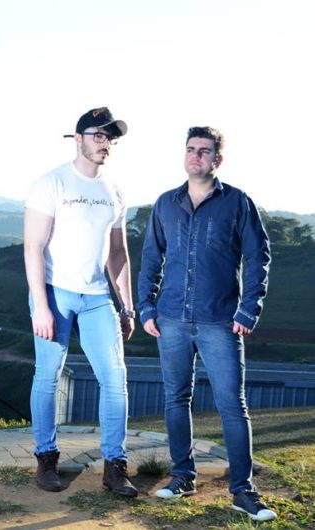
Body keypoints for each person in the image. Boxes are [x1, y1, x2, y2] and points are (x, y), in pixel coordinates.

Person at [137, 126, 276, 521]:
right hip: (172, 321)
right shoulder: (166, 203)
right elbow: (150, 258)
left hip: (221, 321)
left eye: (204, 151)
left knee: (233, 406)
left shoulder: (237, 202)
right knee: (176, 399)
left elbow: (258, 257)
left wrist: (249, 310)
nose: (196, 156)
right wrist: (146, 309)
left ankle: (243, 490)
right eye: (191, 150)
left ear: (218, 159)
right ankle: (182, 476)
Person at [24, 107, 138, 496]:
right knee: (48, 376)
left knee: (115, 379)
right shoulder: (51, 183)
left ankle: (115, 466)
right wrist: (40, 305)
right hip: (56, 293)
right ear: (78, 139)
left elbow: (118, 255)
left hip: (97, 298)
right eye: (99, 135)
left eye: (111, 137)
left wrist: (127, 306)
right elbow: (33, 247)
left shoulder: (115, 192)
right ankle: (46, 458)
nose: (105, 143)